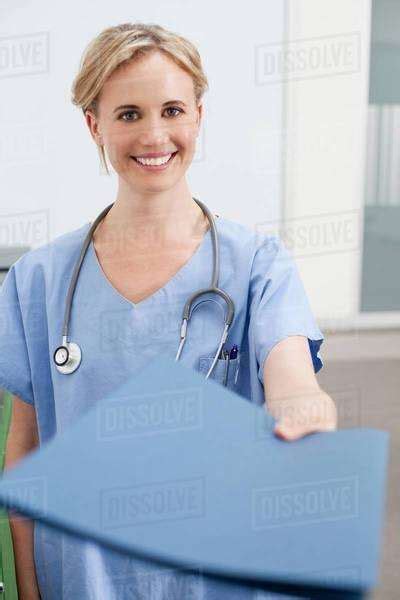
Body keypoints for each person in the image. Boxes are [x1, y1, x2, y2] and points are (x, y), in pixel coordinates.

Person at [0, 22, 337, 600]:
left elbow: (291, 380)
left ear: (199, 117)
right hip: (82, 580)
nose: (155, 135)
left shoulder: (257, 265)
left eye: (173, 110)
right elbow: (26, 448)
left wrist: (303, 410)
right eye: (128, 113)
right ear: (94, 125)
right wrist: (29, 588)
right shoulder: (41, 278)